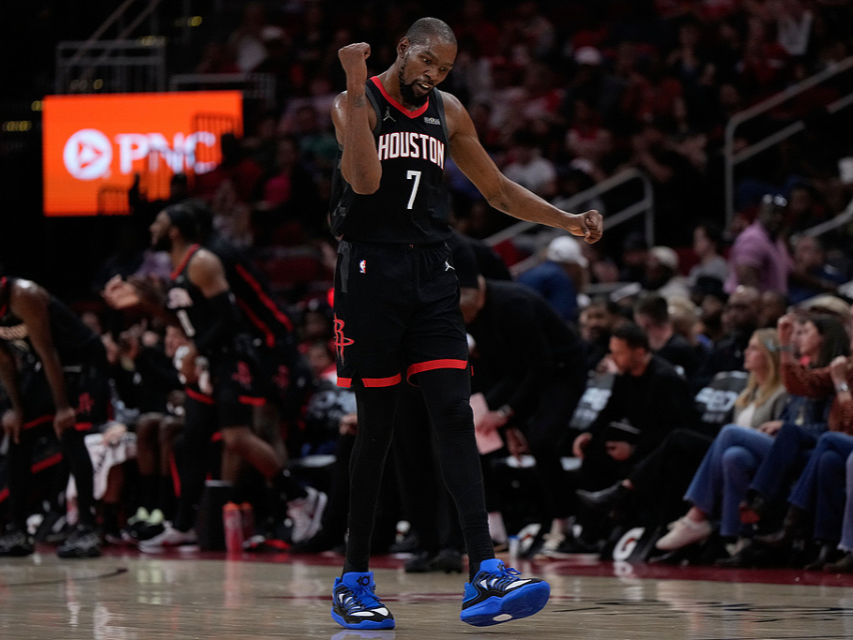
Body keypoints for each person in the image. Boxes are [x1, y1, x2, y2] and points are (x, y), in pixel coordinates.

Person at [328, 17, 602, 630]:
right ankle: (354, 579)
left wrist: (566, 221)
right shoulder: (354, 100)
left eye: (445, 68)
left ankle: (484, 571)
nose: (434, 75)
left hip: (432, 270)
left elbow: (497, 190)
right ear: (403, 48)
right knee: (377, 429)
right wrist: (354, 81)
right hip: (369, 271)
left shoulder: (447, 110)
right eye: (427, 61)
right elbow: (364, 181)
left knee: (455, 412)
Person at [102, 205, 325, 549]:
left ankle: (296, 501)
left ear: (176, 230)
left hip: (248, 351)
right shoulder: (180, 269)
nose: (151, 228)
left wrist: (195, 349)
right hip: (215, 355)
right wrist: (143, 301)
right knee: (191, 438)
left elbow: (229, 320)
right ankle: (184, 524)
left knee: (245, 435)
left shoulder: (204, 261)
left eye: (158, 223)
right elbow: (188, 320)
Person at [0, 270, 110, 558]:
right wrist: (15, 407)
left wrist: (62, 408)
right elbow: (4, 360)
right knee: (18, 435)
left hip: (82, 362)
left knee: (71, 434)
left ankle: (88, 529)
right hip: (46, 366)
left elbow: (49, 351)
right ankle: (18, 530)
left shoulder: (24, 295)